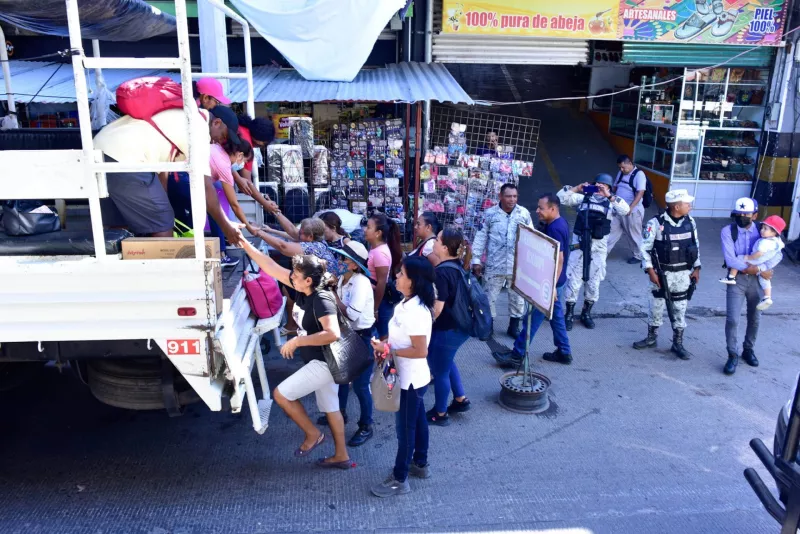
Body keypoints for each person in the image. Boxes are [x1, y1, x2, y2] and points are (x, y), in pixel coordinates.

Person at [235, 243, 352, 469]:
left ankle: (312, 434)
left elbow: (332, 334)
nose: (291, 277)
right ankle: (342, 456)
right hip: (321, 360)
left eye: (295, 275)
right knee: (332, 407)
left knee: (282, 395)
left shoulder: (321, 299)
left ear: (308, 280)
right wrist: (243, 243)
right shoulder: (303, 287)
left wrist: (298, 341)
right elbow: (268, 265)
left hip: (325, 363)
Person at [93, 100, 240, 243]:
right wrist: (226, 226)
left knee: (120, 223)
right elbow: (205, 186)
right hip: (126, 156)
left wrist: (162, 201)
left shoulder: (186, 115)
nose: (220, 141)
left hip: (100, 151)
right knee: (163, 220)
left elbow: (163, 173)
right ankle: (164, 267)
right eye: (224, 136)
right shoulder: (198, 128)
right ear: (216, 123)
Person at [370, 256, 435, 498]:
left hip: (411, 381)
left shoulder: (417, 312)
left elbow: (421, 350)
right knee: (417, 421)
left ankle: (400, 478)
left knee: (405, 429)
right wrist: (384, 343)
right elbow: (398, 336)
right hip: (409, 376)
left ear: (414, 282)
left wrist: (389, 351)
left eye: (402, 274)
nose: (396, 277)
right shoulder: (405, 303)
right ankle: (420, 463)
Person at [492, 193, 573, 367]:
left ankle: (517, 355)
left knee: (531, 320)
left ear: (553, 208)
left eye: (541, 208)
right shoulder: (559, 223)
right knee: (557, 318)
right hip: (555, 283)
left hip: (549, 285)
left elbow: (559, 260)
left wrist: (550, 288)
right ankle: (564, 352)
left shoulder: (555, 228)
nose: (537, 211)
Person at [316, 242, 375, 447]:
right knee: (341, 379)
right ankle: (340, 413)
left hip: (362, 336)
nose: (340, 261)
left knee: (360, 385)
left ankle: (366, 425)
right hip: (346, 334)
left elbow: (350, 314)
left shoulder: (361, 283)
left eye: (344, 259)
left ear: (355, 264)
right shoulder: (342, 279)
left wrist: (331, 294)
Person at [633, 190, 701, 360]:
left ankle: (677, 342)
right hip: (661, 274)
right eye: (687, 203)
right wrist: (650, 271)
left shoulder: (690, 222)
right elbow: (644, 249)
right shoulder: (655, 223)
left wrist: (697, 268)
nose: (690, 206)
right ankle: (651, 337)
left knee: (680, 308)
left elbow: (695, 245)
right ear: (677, 206)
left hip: (683, 274)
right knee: (656, 306)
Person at [558, 174, 630, 331]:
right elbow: (561, 198)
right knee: (573, 280)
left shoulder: (611, 203)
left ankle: (586, 313)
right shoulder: (583, 198)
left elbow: (625, 210)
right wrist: (577, 188)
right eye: (597, 185)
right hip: (579, 246)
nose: (599, 188)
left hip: (598, 248)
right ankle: (569, 314)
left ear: (609, 188)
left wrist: (609, 196)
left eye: (603, 186)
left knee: (594, 282)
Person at [721, 198, 782, 375]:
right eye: (739, 214)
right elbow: (731, 259)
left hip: (757, 282)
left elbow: (777, 255)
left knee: (755, 318)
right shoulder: (728, 231)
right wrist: (756, 269)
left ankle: (748, 349)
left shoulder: (765, 231)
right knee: (732, 319)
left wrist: (764, 269)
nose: (742, 217)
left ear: (755, 215)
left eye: (746, 214)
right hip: (737, 279)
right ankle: (732, 354)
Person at [251, 218, 342, 336]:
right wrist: (271, 223)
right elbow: (291, 232)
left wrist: (258, 232)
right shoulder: (319, 242)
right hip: (323, 287)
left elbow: (282, 246)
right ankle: (294, 324)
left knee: (288, 287)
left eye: (301, 232)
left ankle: (293, 325)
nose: (298, 234)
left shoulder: (312, 247)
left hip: (323, 292)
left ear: (310, 236)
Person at [471, 183, 534, 338]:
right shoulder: (490, 214)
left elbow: (532, 238)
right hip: (494, 265)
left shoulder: (523, 214)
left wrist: (531, 262)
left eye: (514, 196)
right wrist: (476, 260)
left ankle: (514, 327)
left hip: (517, 266)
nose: (512, 200)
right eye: (508, 196)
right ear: (500, 196)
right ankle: (488, 326)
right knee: (489, 297)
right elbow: (480, 237)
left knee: (517, 298)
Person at [426, 228, 473, 426]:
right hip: (460, 327)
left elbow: (437, 309)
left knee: (440, 371)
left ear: (444, 247)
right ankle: (460, 399)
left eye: (437, 239)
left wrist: (423, 326)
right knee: (447, 362)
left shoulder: (442, 273)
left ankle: (441, 413)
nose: (433, 242)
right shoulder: (457, 266)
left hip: (447, 330)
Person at [720, 214, 785, 311]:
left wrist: (750, 258)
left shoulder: (765, 242)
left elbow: (758, 253)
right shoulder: (777, 241)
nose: (762, 230)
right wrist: (762, 269)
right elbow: (779, 254)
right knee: (765, 280)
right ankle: (767, 297)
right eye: (762, 228)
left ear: (774, 232)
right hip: (762, 264)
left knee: (740, 258)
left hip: (756, 261)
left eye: (765, 229)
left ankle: (731, 277)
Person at [365, 213, 404, 340]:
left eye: (369, 227)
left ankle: (382, 359)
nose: (365, 230)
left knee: (382, 335)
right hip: (377, 299)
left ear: (378, 233)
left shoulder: (380, 253)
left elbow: (381, 282)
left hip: (380, 301)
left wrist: (375, 309)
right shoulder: (375, 248)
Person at [608, 155, 647, 265]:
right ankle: (601, 252)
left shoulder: (639, 175)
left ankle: (639, 255)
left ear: (630, 163)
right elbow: (615, 187)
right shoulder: (621, 173)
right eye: (620, 167)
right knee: (611, 230)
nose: (621, 170)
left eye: (623, 167)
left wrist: (631, 207)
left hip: (632, 211)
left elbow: (640, 193)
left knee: (633, 234)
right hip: (618, 208)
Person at [235, 115, 275, 197]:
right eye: (264, 144)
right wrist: (264, 202)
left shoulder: (240, 128)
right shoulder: (247, 145)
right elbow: (247, 183)